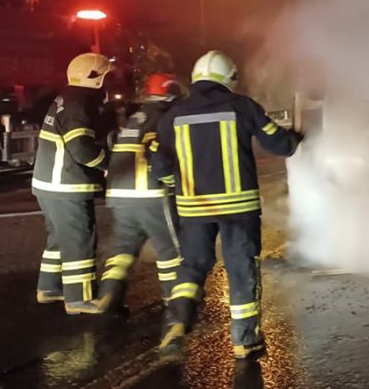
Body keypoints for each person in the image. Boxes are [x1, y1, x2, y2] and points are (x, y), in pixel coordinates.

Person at [152, 51, 302, 359]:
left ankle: (177, 321)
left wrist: (178, 186)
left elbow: (160, 166)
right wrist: (298, 137)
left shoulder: (173, 115)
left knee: (192, 266)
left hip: (194, 209)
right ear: (229, 79)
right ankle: (245, 341)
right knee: (241, 267)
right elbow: (280, 144)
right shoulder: (242, 107)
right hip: (238, 208)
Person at [93, 73, 184, 314]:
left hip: (120, 195)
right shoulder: (165, 118)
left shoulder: (137, 117)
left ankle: (108, 297)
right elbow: (159, 154)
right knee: (170, 249)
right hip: (150, 193)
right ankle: (176, 302)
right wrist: (173, 182)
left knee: (123, 248)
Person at [33, 52, 112, 314]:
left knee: (59, 238)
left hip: (49, 184)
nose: (109, 83)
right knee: (79, 238)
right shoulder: (80, 104)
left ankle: (49, 288)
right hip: (66, 186)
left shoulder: (67, 98)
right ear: (95, 79)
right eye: (106, 77)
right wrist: (107, 164)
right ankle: (79, 298)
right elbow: (81, 148)